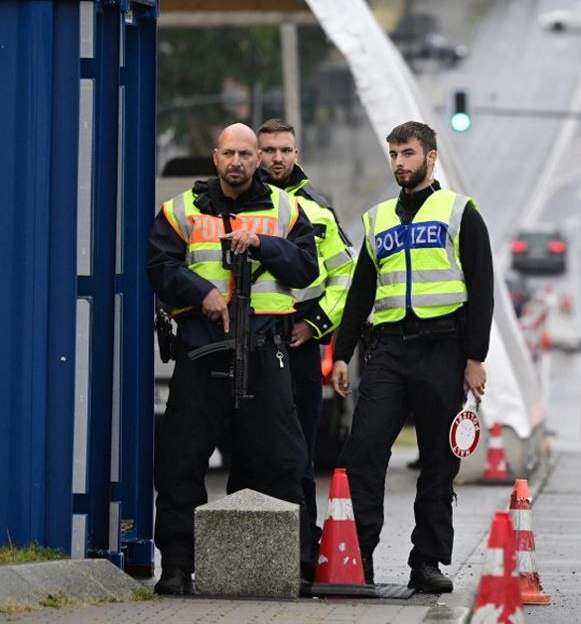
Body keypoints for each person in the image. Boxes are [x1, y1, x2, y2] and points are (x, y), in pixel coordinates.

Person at [146, 123, 319, 595]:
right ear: (215, 157)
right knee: (181, 460)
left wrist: (264, 244)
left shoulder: (286, 209)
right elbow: (159, 266)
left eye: (247, 153)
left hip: (264, 349)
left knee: (283, 460)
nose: (238, 161)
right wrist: (201, 292)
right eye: (230, 153)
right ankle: (178, 567)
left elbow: (308, 267)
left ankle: (291, 567)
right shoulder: (181, 209)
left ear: (256, 160)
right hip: (202, 350)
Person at [330, 120, 493, 593]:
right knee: (362, 453)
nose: (400, 162)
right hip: (388, 353)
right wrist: (342, 353)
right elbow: (360, 294)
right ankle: (356, 557)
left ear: (430, 157)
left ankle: (427, 562)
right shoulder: (378, 218)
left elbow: (482, 290)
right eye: (395, 154)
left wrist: (474, 357)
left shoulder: (460, 212)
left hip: (443, 351)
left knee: (439, 461)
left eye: (408, 153)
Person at [255, 118, 357, 577]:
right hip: (242, 343)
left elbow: (346, 275)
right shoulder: (238, 202)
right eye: (268, 149)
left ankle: (300, 556)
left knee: (299, 456)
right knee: (249, 449)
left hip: (296, 345)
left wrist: (316, 323)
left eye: (285, 149)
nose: (277, 157)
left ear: (297, 154)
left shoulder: (316, 209)